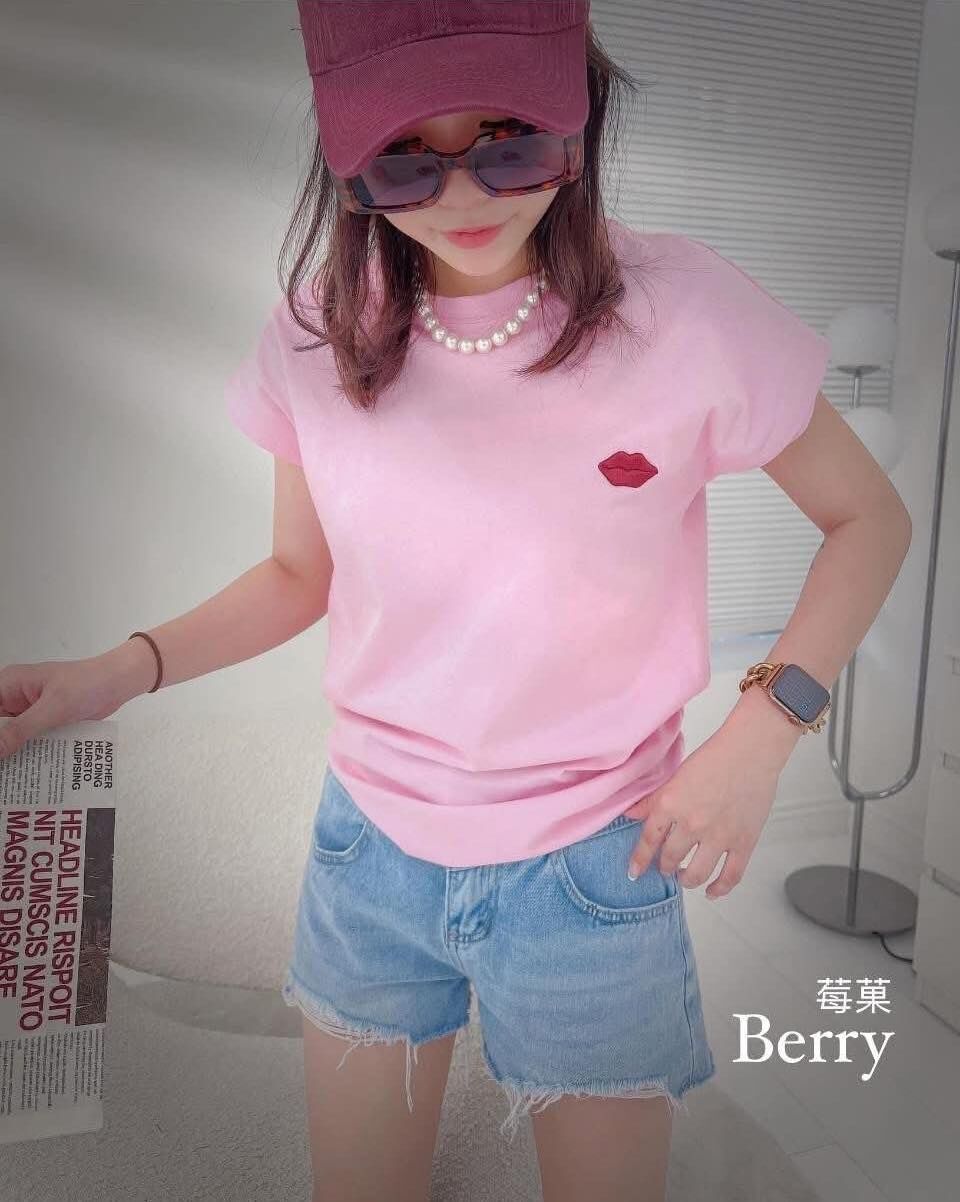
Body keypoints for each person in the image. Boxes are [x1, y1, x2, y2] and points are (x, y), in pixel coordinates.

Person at [0, 3, 913, 1201]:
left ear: (576, 114)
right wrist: (107, 673)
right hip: (368, 854)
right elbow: (298, 574)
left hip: (597, 859)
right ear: (346, 160)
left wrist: (760, 733)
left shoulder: (687, 312)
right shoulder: (319, 334)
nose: (464, 192)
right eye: (404, 157)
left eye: (507, 139)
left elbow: (869, 519)